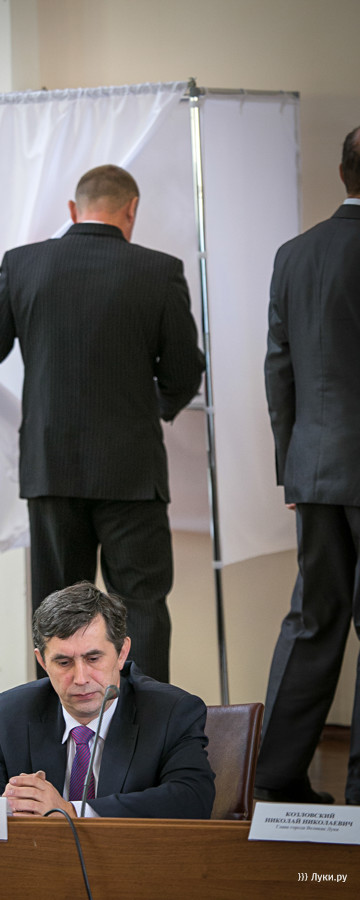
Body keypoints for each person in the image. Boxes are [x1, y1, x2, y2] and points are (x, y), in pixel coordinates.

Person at [0, 165, 204, 683]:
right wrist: (145, 409)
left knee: (57, 614)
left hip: (52, 469)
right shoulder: (160, 271)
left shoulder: (24, 265)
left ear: (73, 210)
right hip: (133, 472)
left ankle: (54, 728)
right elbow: (184, 373)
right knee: (141, 607)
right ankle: (148, 726)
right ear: (132, 209)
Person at [255, 127, 360, 805]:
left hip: (316, 469)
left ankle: (274, 777)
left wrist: (292, 469)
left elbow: (279, 368)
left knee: (313, 620)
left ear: (344, 173)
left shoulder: (293, 254)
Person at [0, 582, 215, 818]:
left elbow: (193, 798)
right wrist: (12, 804)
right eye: (63, 662)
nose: (81, 678)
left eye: (93, 658)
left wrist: (71, 811)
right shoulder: (16, 710)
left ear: (122, 653)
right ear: (42, 662)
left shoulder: (170, 711)